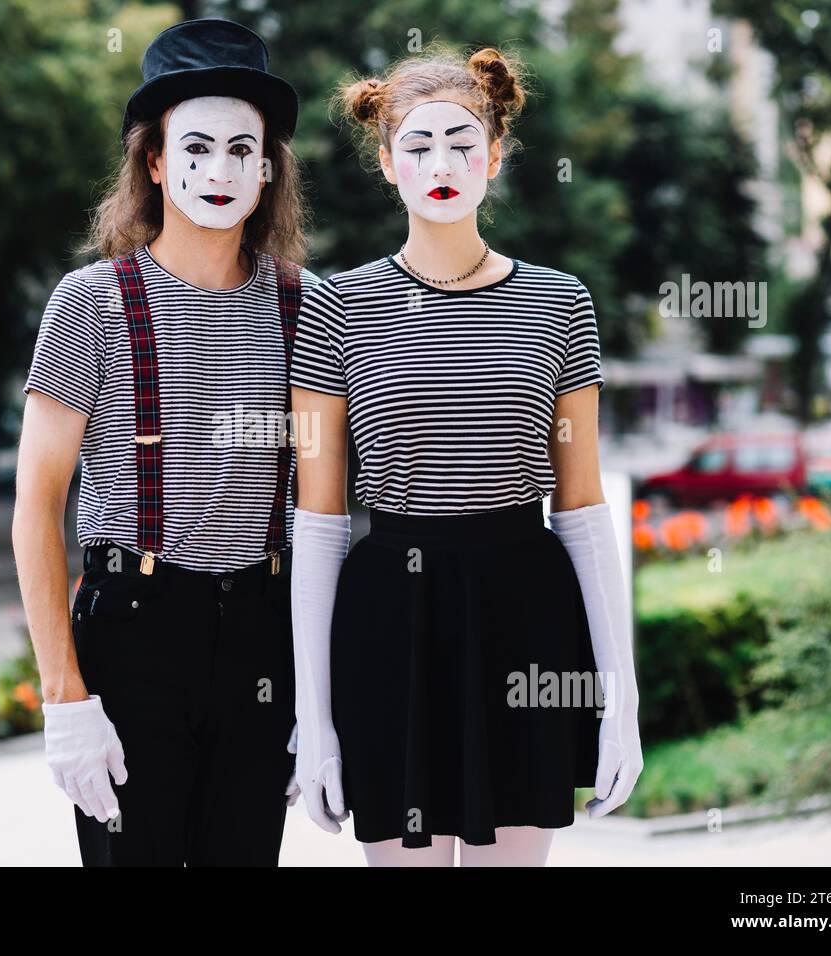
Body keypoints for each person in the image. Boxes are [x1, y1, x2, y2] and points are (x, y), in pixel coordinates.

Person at [287, 45, 643, 867]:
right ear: (386, 164)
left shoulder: (561, 303)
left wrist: (618, 698)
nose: (440, 163)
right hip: (389, 622)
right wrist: (314, 719)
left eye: (460, 142)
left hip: (526, 612)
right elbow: (318, 521)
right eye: (417, 145)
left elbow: (583, 507)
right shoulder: (335, 306)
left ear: (495, 155)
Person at [12, 18, 320, 866]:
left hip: (264, 634)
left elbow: (324, 510)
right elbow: (36, 507)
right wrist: (64, 699)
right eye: (194, 148)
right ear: (154, 161)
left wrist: (321, 695)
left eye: (240, 150)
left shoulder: (309, 307)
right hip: (134, 635)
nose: (217, 172)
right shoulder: (90, 304)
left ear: (267, 168)